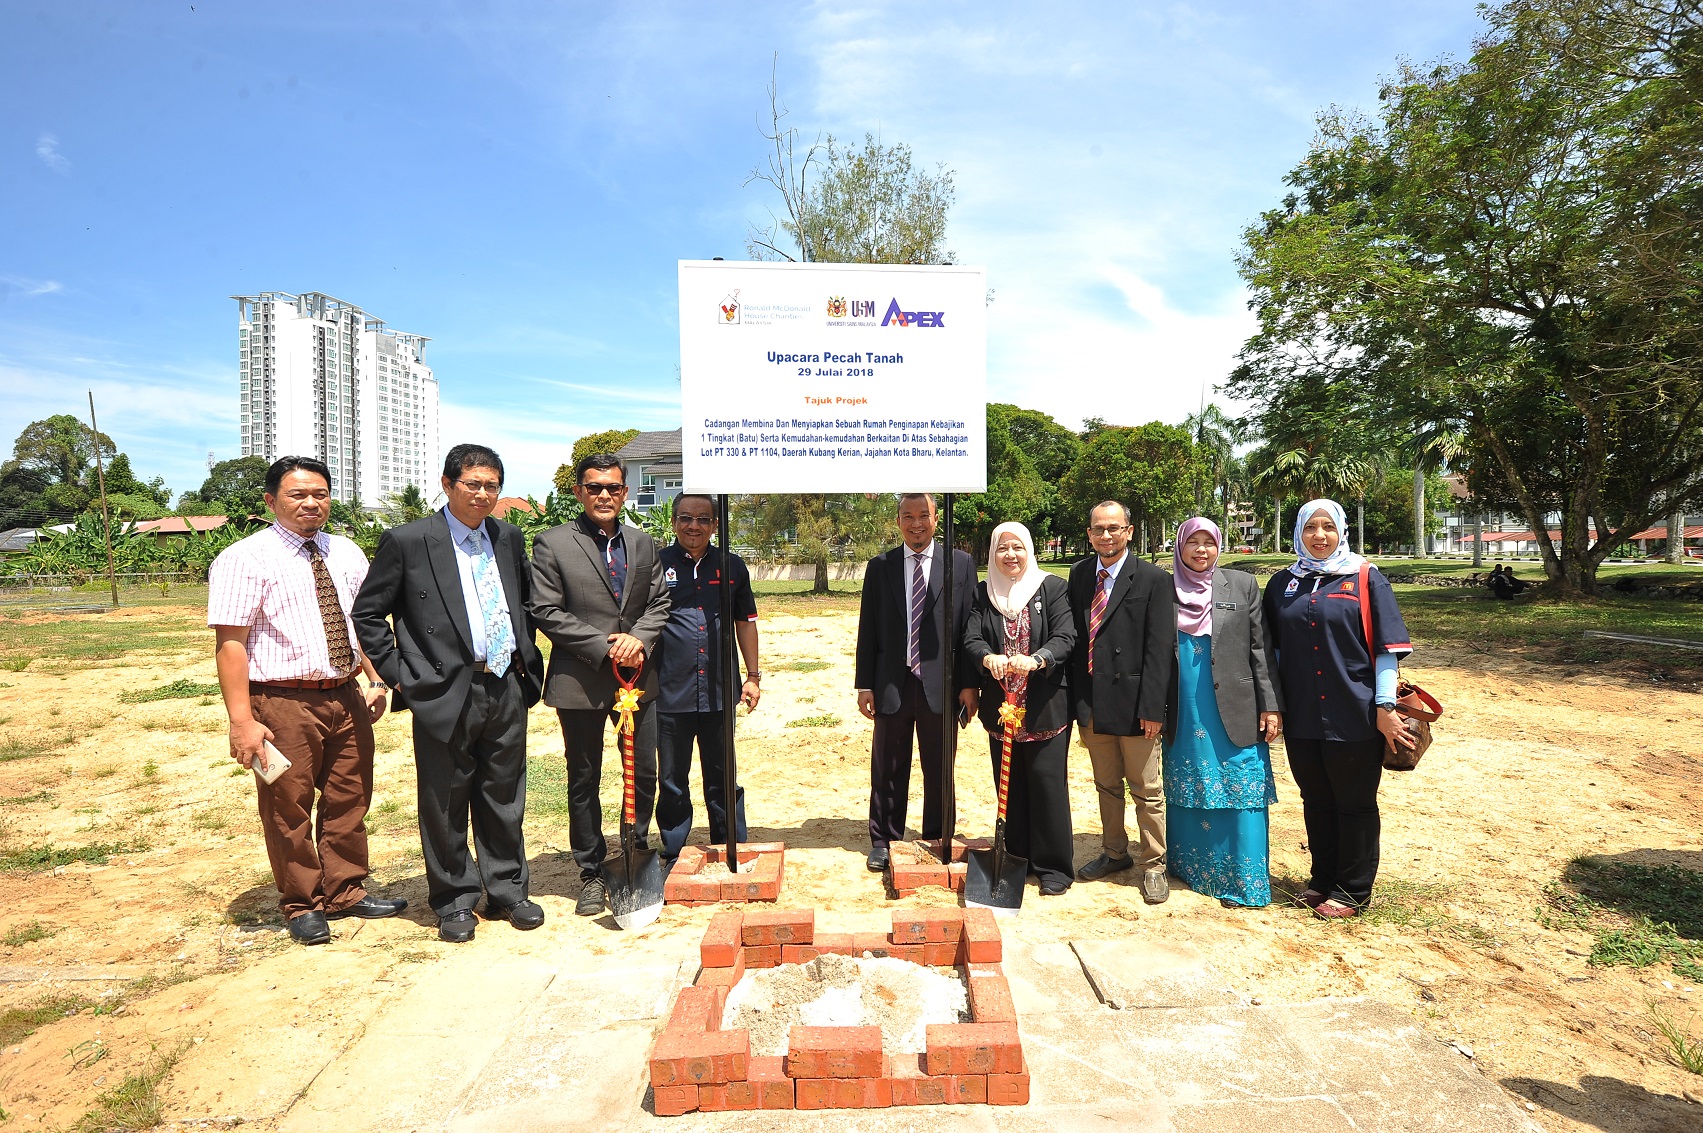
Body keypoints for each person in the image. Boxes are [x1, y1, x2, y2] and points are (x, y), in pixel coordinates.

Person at [352, 444, 546, 943]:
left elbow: (520, 602)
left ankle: (507, 890)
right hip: (442, 688)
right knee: (444, 797)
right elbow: (369, 614)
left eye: (492, 485)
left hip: (503, 681)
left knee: (505, 793)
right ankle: (454, 898)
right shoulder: (409, 540)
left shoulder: (507, 537)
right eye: (473, 484)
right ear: (447, 483)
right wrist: (401, 674)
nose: (483, 494)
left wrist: (525, 658)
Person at [207, 456, 403, 945]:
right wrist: (242, 721)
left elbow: (363, 624)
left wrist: (375, 679)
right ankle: (302, 903)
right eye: (297, 495)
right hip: (280, 701)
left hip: (343, 693)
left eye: (320, 494)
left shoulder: (347, 552)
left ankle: (346, 889)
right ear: (272, 500)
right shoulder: (244, 558)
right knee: (286, 803)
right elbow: (230, 644)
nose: (311, 503)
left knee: (350, 796)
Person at [529, 453, 672, 916]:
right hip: (582, 679)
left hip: (637, 678)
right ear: (579, 492)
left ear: (625, 492)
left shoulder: (644, 543)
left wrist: (638, 640)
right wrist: (604, 646)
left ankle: (635, 849)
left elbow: (659, 602)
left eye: (613, 487)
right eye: (594, 487)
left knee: (643, 771)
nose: (604, 495)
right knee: (584, 776)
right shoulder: (552, 545)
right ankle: (590, 871)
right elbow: (546, 610)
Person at [1262, 498, 1417, 919]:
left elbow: (1387, 651)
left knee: (1354, 801)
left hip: (1355, 710)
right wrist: (1272, 704)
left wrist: (1385, 706)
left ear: (1342, 531)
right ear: (1298, 531)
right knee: (1315, 798)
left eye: (1327, 527)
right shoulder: (1282, 584)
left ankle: (1352, 889)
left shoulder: (1365, 578)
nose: (1319, 535)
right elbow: (1271, 652)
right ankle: (1322, 878)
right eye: (1311, 527)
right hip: (1302, 713)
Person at [1161, 517, 1282, 909]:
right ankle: (1193, 869)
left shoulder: (1242, 584)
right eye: (1192, 542)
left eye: (1208, 543)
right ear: (1179, 547)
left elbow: (1260, 649)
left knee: (1240, 787)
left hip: (1236, 706)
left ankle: (1242, 880)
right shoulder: (1164, 588)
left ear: (1218, 546)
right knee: (1191, 782)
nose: (1200, 550)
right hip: (1183, 707)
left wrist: (1271, 706)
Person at [854, 493, 978, 873]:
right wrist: (864, 684)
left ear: (936, 518)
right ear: (898, 522)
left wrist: (970, 683)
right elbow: (868, 628)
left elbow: (969, 627)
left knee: (940, 766)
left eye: (923, 515)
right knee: (888, 765)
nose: (916, 523)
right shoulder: (881, 566)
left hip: (941, 684)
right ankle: (885, 839)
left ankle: (937, 835)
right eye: (908, 516)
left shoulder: (960, 564)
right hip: (892, 681)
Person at [1069, 501, 1177, 903]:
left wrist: (1153, 709)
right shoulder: (1080, 575)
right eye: (1098, 529)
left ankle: (1154, 864)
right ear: (1090, 534)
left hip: (1136, 706)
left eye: (1114, 528)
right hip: (1094, 703)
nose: (1106, 535)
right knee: (1106, 785)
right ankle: (1114, 852)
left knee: (1146, 789)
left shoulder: (1153, 579)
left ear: (1129, 531)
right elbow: (1078, 642)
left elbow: (1159, 649)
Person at [962, 522, 1076, 894]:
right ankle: (1019, 856)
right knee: (1009, 785)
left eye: (1017, 547)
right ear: (993, 554)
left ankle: (1054, 867)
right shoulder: (984, 593)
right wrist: (986, 658)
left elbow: (1065, 636)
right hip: (1003, 709)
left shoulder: (1053, 588)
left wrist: (1039, 659)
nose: (1010, 555)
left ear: (1029, 549)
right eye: (1002, 549)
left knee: (1046, 785)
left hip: (1044, 706)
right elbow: (972, 636)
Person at [654, 494, 761, 867]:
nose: (693, 525)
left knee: (722, 775)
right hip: (669, 692)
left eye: (703, 518)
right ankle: (673, 849)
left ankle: (731, 843)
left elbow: (745, 622)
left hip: (719, 691)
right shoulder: (655, 565)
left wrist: (752, 676)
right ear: (673, 522)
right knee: (671, 778)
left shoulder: (732, 565)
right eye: (685, 517)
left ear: (715, 525)